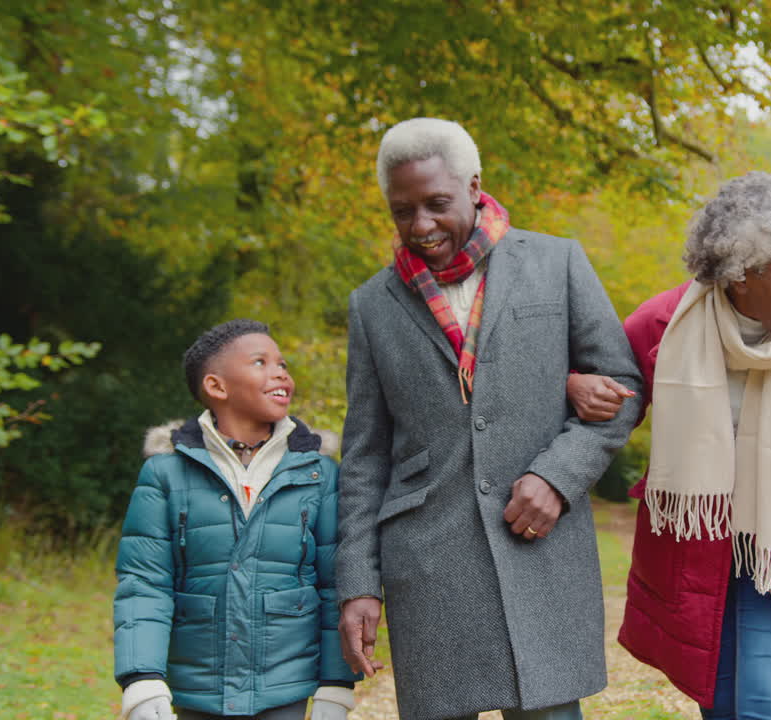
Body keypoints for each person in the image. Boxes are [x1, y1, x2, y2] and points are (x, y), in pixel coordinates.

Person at [335, 117, 642, 720]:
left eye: (437, 204)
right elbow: (365, 454)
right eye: (403, 212)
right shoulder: (372, 305)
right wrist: (358, 582)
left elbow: (621, 388)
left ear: (474, 187)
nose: (421, 226)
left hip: (539, 549)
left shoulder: (558, 263)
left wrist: (557, 476)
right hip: (429, 567)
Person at [572, 172, 771, 719]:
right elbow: (606, 402)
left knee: (764, 705)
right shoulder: (662, 325)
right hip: (697, 546)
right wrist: (572, 385)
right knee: (722, 704)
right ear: (740, 275)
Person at [113, 319, 358, 720]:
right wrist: (142, 679)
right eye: (260, 362)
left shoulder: (319, 473)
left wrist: (336, 685)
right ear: (217, 387)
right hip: (195, 687)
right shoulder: (165, 473)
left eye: (283, 364)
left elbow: (335, 585)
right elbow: (144, 582)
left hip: (284, 687)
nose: (280, 372)